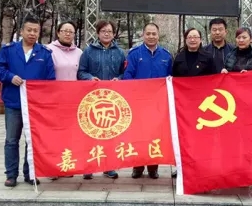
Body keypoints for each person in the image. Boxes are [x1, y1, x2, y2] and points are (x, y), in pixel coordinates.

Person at [0, 14, 56, 188]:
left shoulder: (44, 53)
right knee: (11, 140)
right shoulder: (8, 50)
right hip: (13, 102)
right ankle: (11, 175)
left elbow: (50, 79)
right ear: (21, 31)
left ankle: (30, 173)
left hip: (35, 106)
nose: (32, 33)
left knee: (32, 141)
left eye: (36, 31)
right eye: (29, 30)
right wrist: (10, 77)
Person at [76, 20, 126, 180]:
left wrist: (119, 79)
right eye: (103, 31)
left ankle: (108, 167)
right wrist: (90, 78)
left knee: (110, 133)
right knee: (91, 133)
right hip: (92, 99)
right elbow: (81, 72)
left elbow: (125, 73)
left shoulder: (119, 52)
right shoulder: (89, 51)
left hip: (112, 100)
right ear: (97, 33)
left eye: (109, 31)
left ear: (113, 34)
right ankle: (88, 166)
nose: (106, 34)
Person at [123, 23, 173, 179]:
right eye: (148, 34)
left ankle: (153, 168)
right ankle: (137, 167)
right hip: (139, 103)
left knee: (155, 135)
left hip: (158, 104)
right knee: (138, 135)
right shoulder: (134, 54)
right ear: (143, 35)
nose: (151, 36)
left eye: (154, 34)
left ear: (158, 35)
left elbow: (171, 79)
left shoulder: (166, 55)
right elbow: (127, 77)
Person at [171, 27, 216, 179]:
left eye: (196, 37)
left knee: (201, 138)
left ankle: (201, 166)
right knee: (183, 137)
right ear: (185, 39)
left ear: (201, 39)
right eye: (190, 37)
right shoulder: (179, 57)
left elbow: (215, 80)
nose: (193, 39)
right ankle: (181, 167)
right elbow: (173, 79)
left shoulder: (208, 57)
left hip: (203, 104)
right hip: (183, 104)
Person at [47, 21, 83, 181]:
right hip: (54, 100)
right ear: (58, 32)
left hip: (73, 101)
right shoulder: (48, 50)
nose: (68, 34)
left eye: (71, 32)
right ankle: (51, 167)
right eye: (65, 31)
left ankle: (66, 165)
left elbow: (81, 74)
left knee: (69, 135)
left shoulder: (79, 52)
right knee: (53, 135)